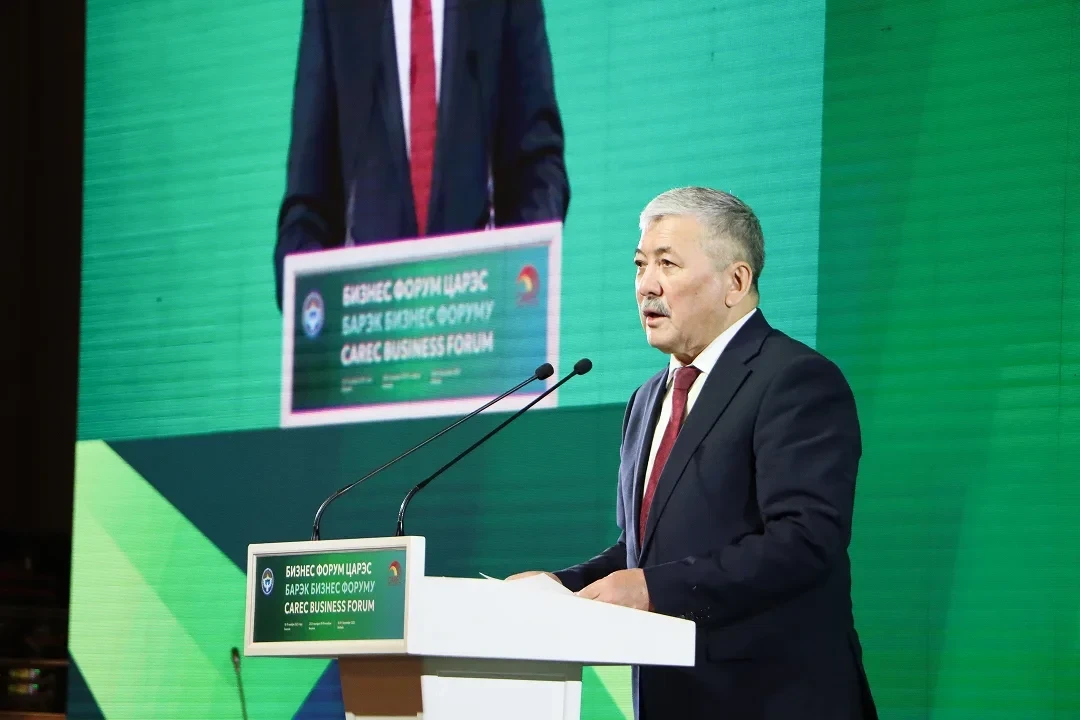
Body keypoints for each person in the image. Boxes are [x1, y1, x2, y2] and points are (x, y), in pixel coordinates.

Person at [509, 187, 877, 719]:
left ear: (736, 282)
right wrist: (560, 586)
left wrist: (651, 588)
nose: (646, 285)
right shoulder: (646, 400)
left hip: (771, 699)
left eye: (668, 263)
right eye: (640, 264)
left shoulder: (794, 379)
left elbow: (804, 541)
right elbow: (642, 553)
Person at [273, 0, 570, 308]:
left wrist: (511, 288)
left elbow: (538, 172)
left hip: (479, 314)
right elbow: (307, 209)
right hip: (370, 317)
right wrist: (322, 306)